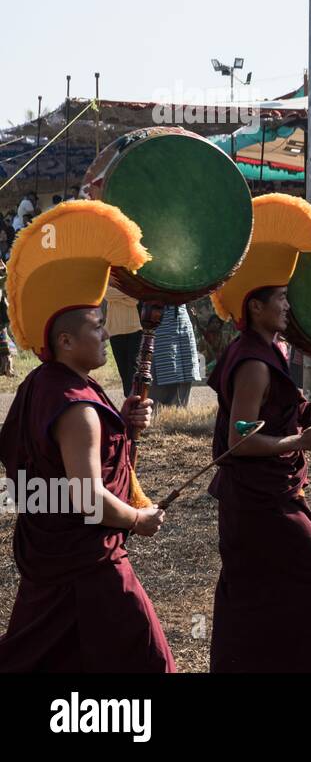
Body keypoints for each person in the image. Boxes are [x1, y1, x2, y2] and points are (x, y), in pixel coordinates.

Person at [0, 200, 173, 671]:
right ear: (65, 341)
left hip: (53, 561)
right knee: (147, 661)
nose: (104, 335)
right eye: (96, 327)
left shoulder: (46, 384)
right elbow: (88, 498)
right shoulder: (76, 405)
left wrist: (118, 420)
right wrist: (138, 521)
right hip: (89, 564)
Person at [206, 193, 311, 672]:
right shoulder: (253, 365)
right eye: (281, 300)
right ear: (257, 307)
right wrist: (297, 444)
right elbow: (241, 440)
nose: (288, 307)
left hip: (268, 495)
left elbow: (283, 415)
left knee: (254, 585)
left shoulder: (273, 351)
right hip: (258, 500)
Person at [150, 303, 202, 408]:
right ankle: (155, 414)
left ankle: (179, 411)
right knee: (162, 371)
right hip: (160, 321)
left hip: (182, 320)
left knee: (186, 373)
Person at [104, 286, 143, 392]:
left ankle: (136, 398)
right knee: (123, 370)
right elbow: (106, 293)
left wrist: (117, 295)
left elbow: (136, 298)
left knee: (134, 367)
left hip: (135, 328)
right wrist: (128, 293)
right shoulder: (111, 277)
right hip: (115, 330)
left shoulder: (131, 276)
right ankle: (129, 400)